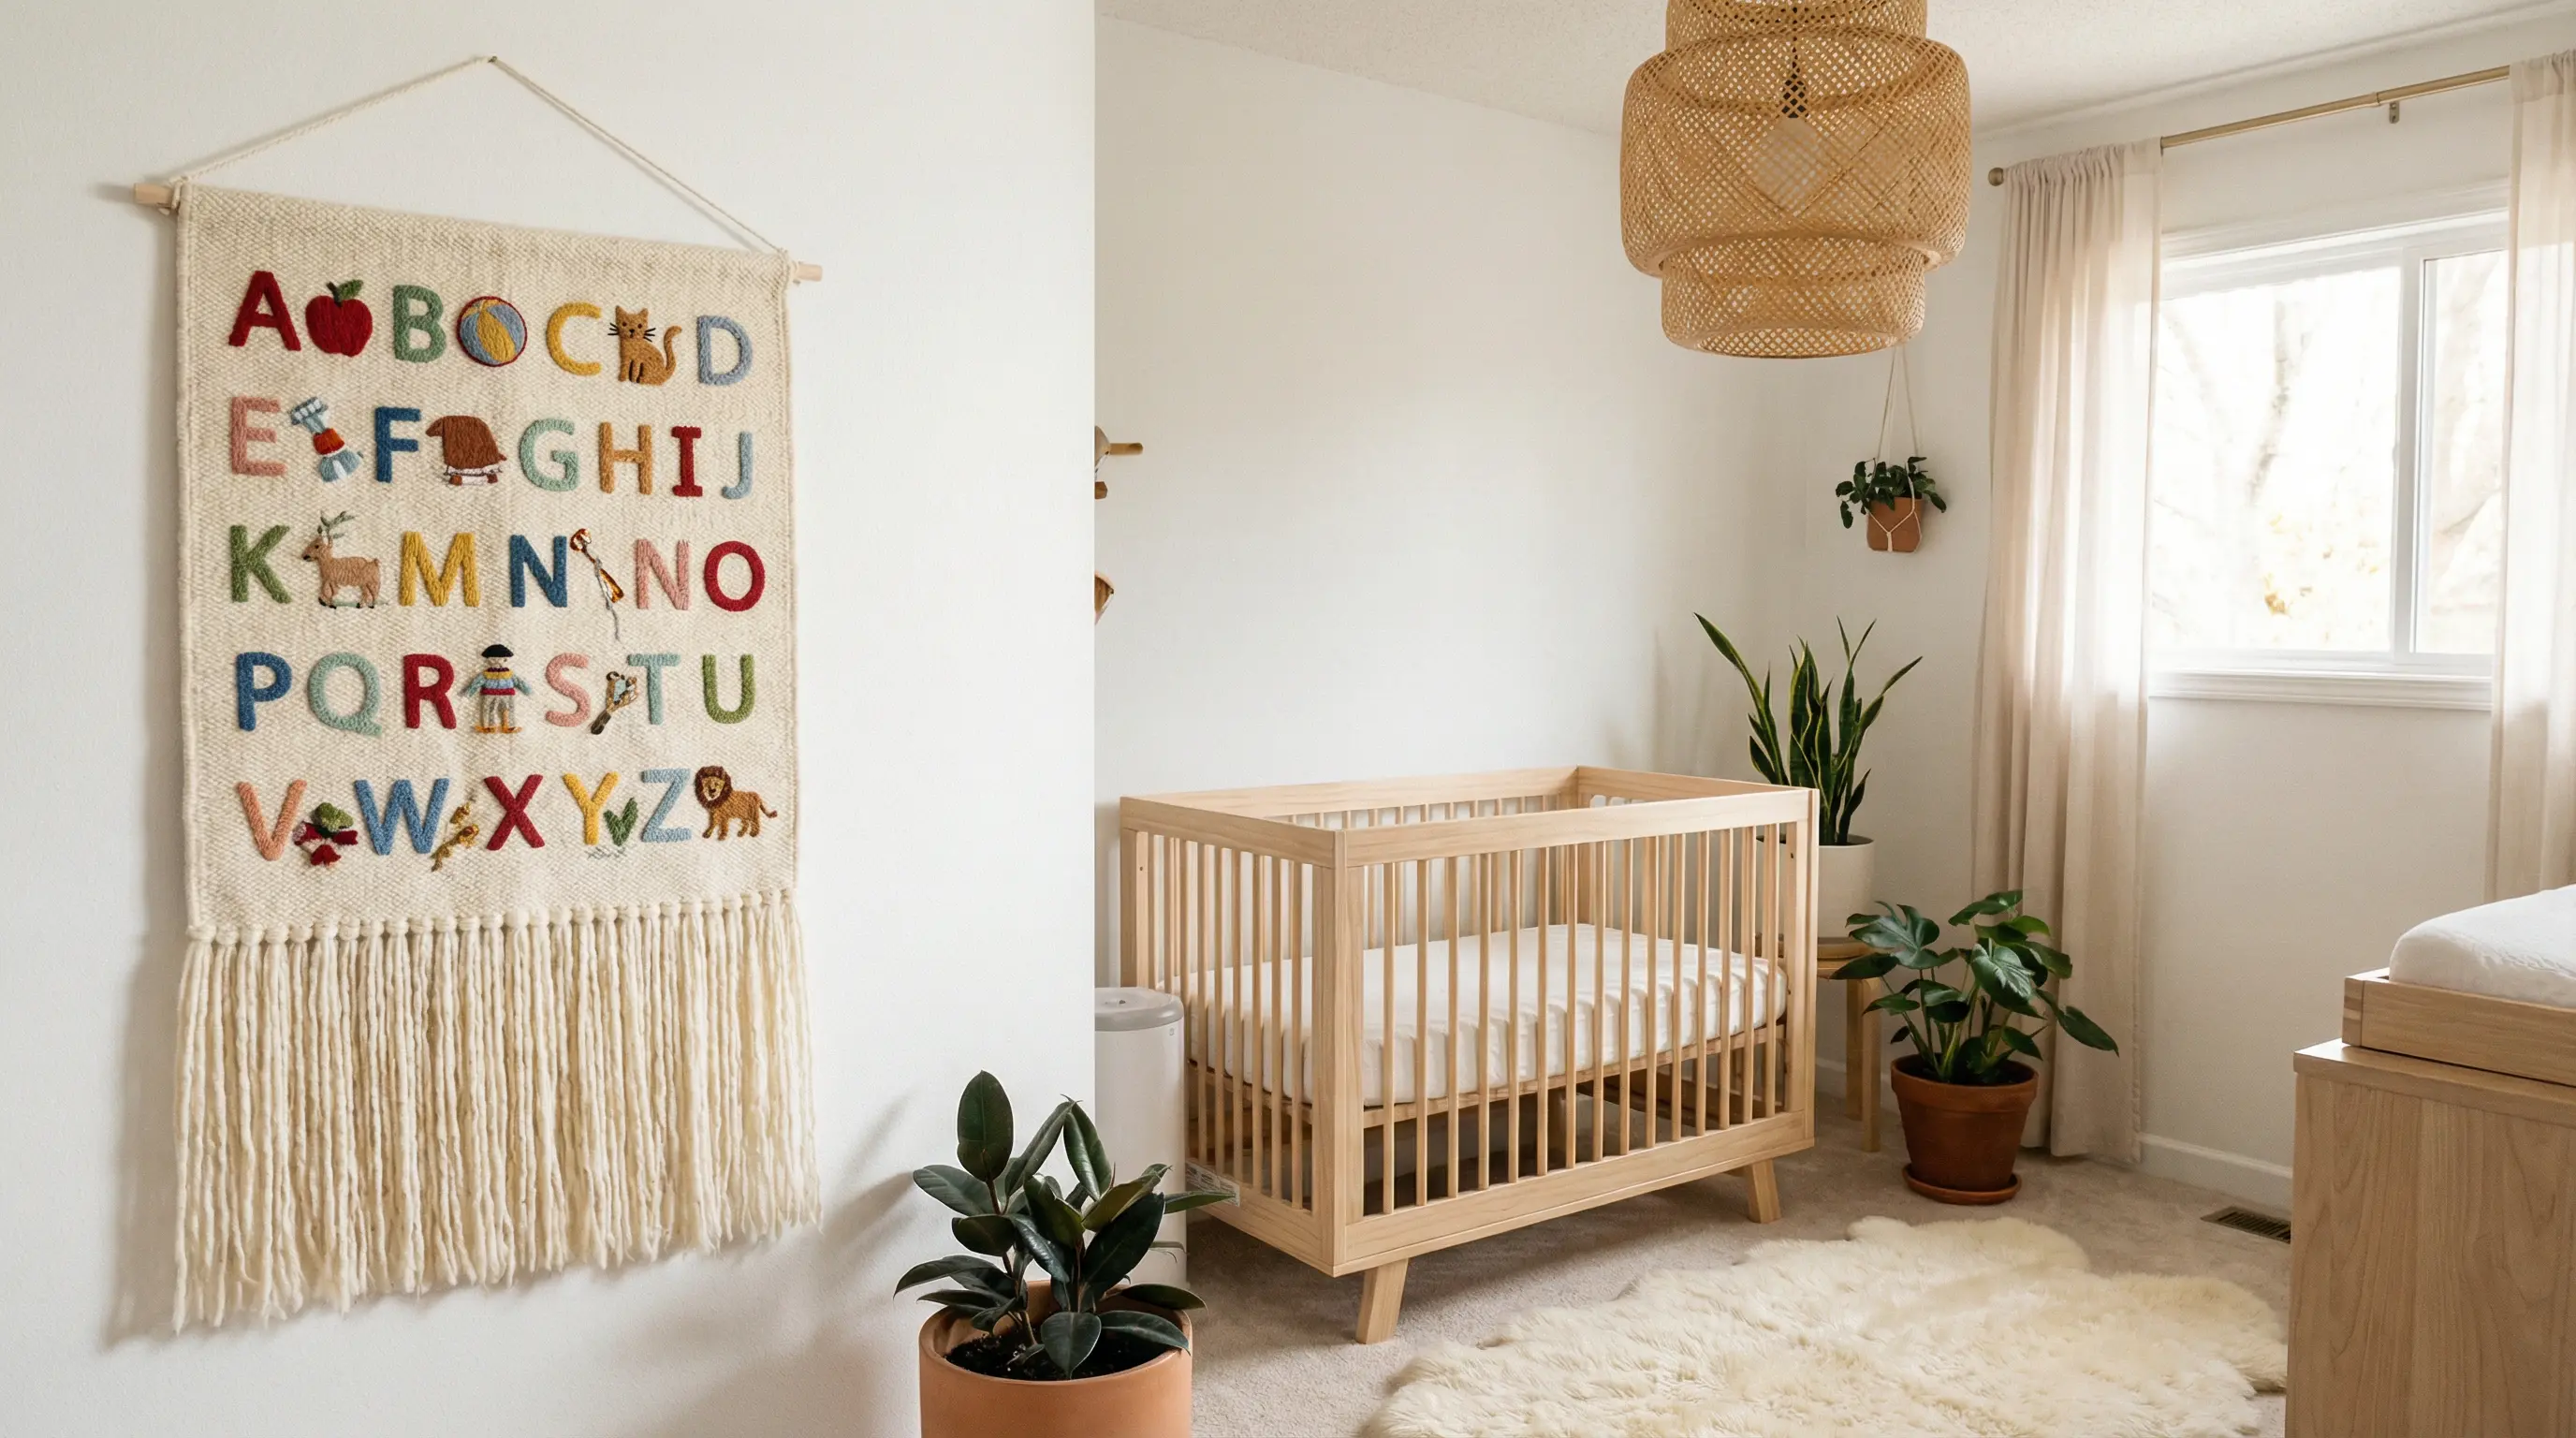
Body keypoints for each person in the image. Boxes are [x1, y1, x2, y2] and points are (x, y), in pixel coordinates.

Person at [456, 643, 534, 734]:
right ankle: (488, 726)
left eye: (499, 659)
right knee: (488, 709)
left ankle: (509, 726)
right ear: (489, 660)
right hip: (489, 694)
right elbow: (476, 683)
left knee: (508, 709)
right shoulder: (485, 674)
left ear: (505, 659)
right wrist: (467, 693)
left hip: (506, 694)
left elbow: (518, 682)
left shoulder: (509, 673)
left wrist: (528, 690)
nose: (496, 661)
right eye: (493, 659)